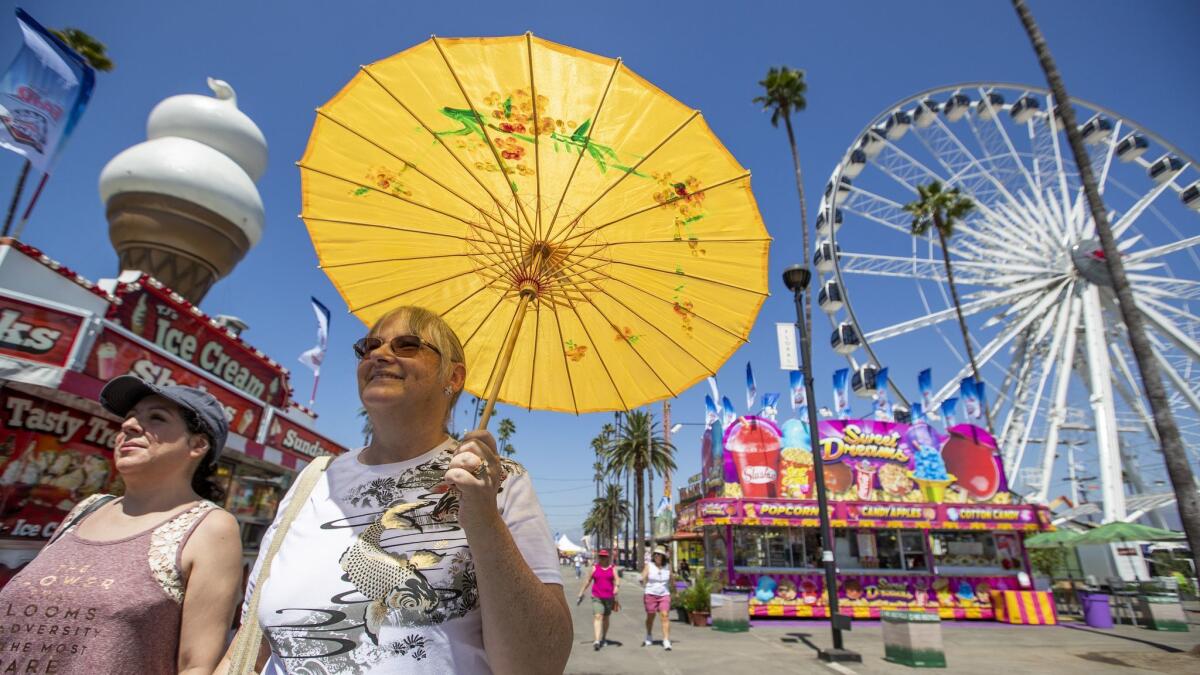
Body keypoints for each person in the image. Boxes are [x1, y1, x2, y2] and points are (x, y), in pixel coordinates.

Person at [221, 305, 571, 674]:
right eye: (369, 346)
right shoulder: (314, 478)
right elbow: (250, 643)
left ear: (452, 376)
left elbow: (540, 664)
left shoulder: (500, 481)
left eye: (407, 345)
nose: (380, 354)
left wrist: (484, 519)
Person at [0, 375, 244, 674]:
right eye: (128, 418)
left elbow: (196, 666)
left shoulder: (209, 528)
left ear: (197, 445)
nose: (128, 426)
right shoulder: (86, 509)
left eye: (156, 417)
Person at [578, 549, 620, 650]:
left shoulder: (612, 568)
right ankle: (597, 641)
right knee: (598, 616)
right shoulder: (594, 568)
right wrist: (581, 592)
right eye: (601, 556)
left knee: (606, 618)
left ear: (608, 558)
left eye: (604, 556)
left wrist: (617, 587)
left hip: (609, 597)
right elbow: (588, 580)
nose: (602, 558)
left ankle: (604, 637)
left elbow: (617, 579)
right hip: (597, 597)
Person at [640, 545, 673, 651]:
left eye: (659, 554)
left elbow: (672, 579)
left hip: (664, 594)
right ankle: (649, 635)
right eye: (656, 554)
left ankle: (666, 640)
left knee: (665, 615)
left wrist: (676, 591)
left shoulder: (668, 566)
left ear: (663, 556)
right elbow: (644, 575)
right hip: (650, 594)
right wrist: (642, 579)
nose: (657, 556)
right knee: (651, 616)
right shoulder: (649, 565)